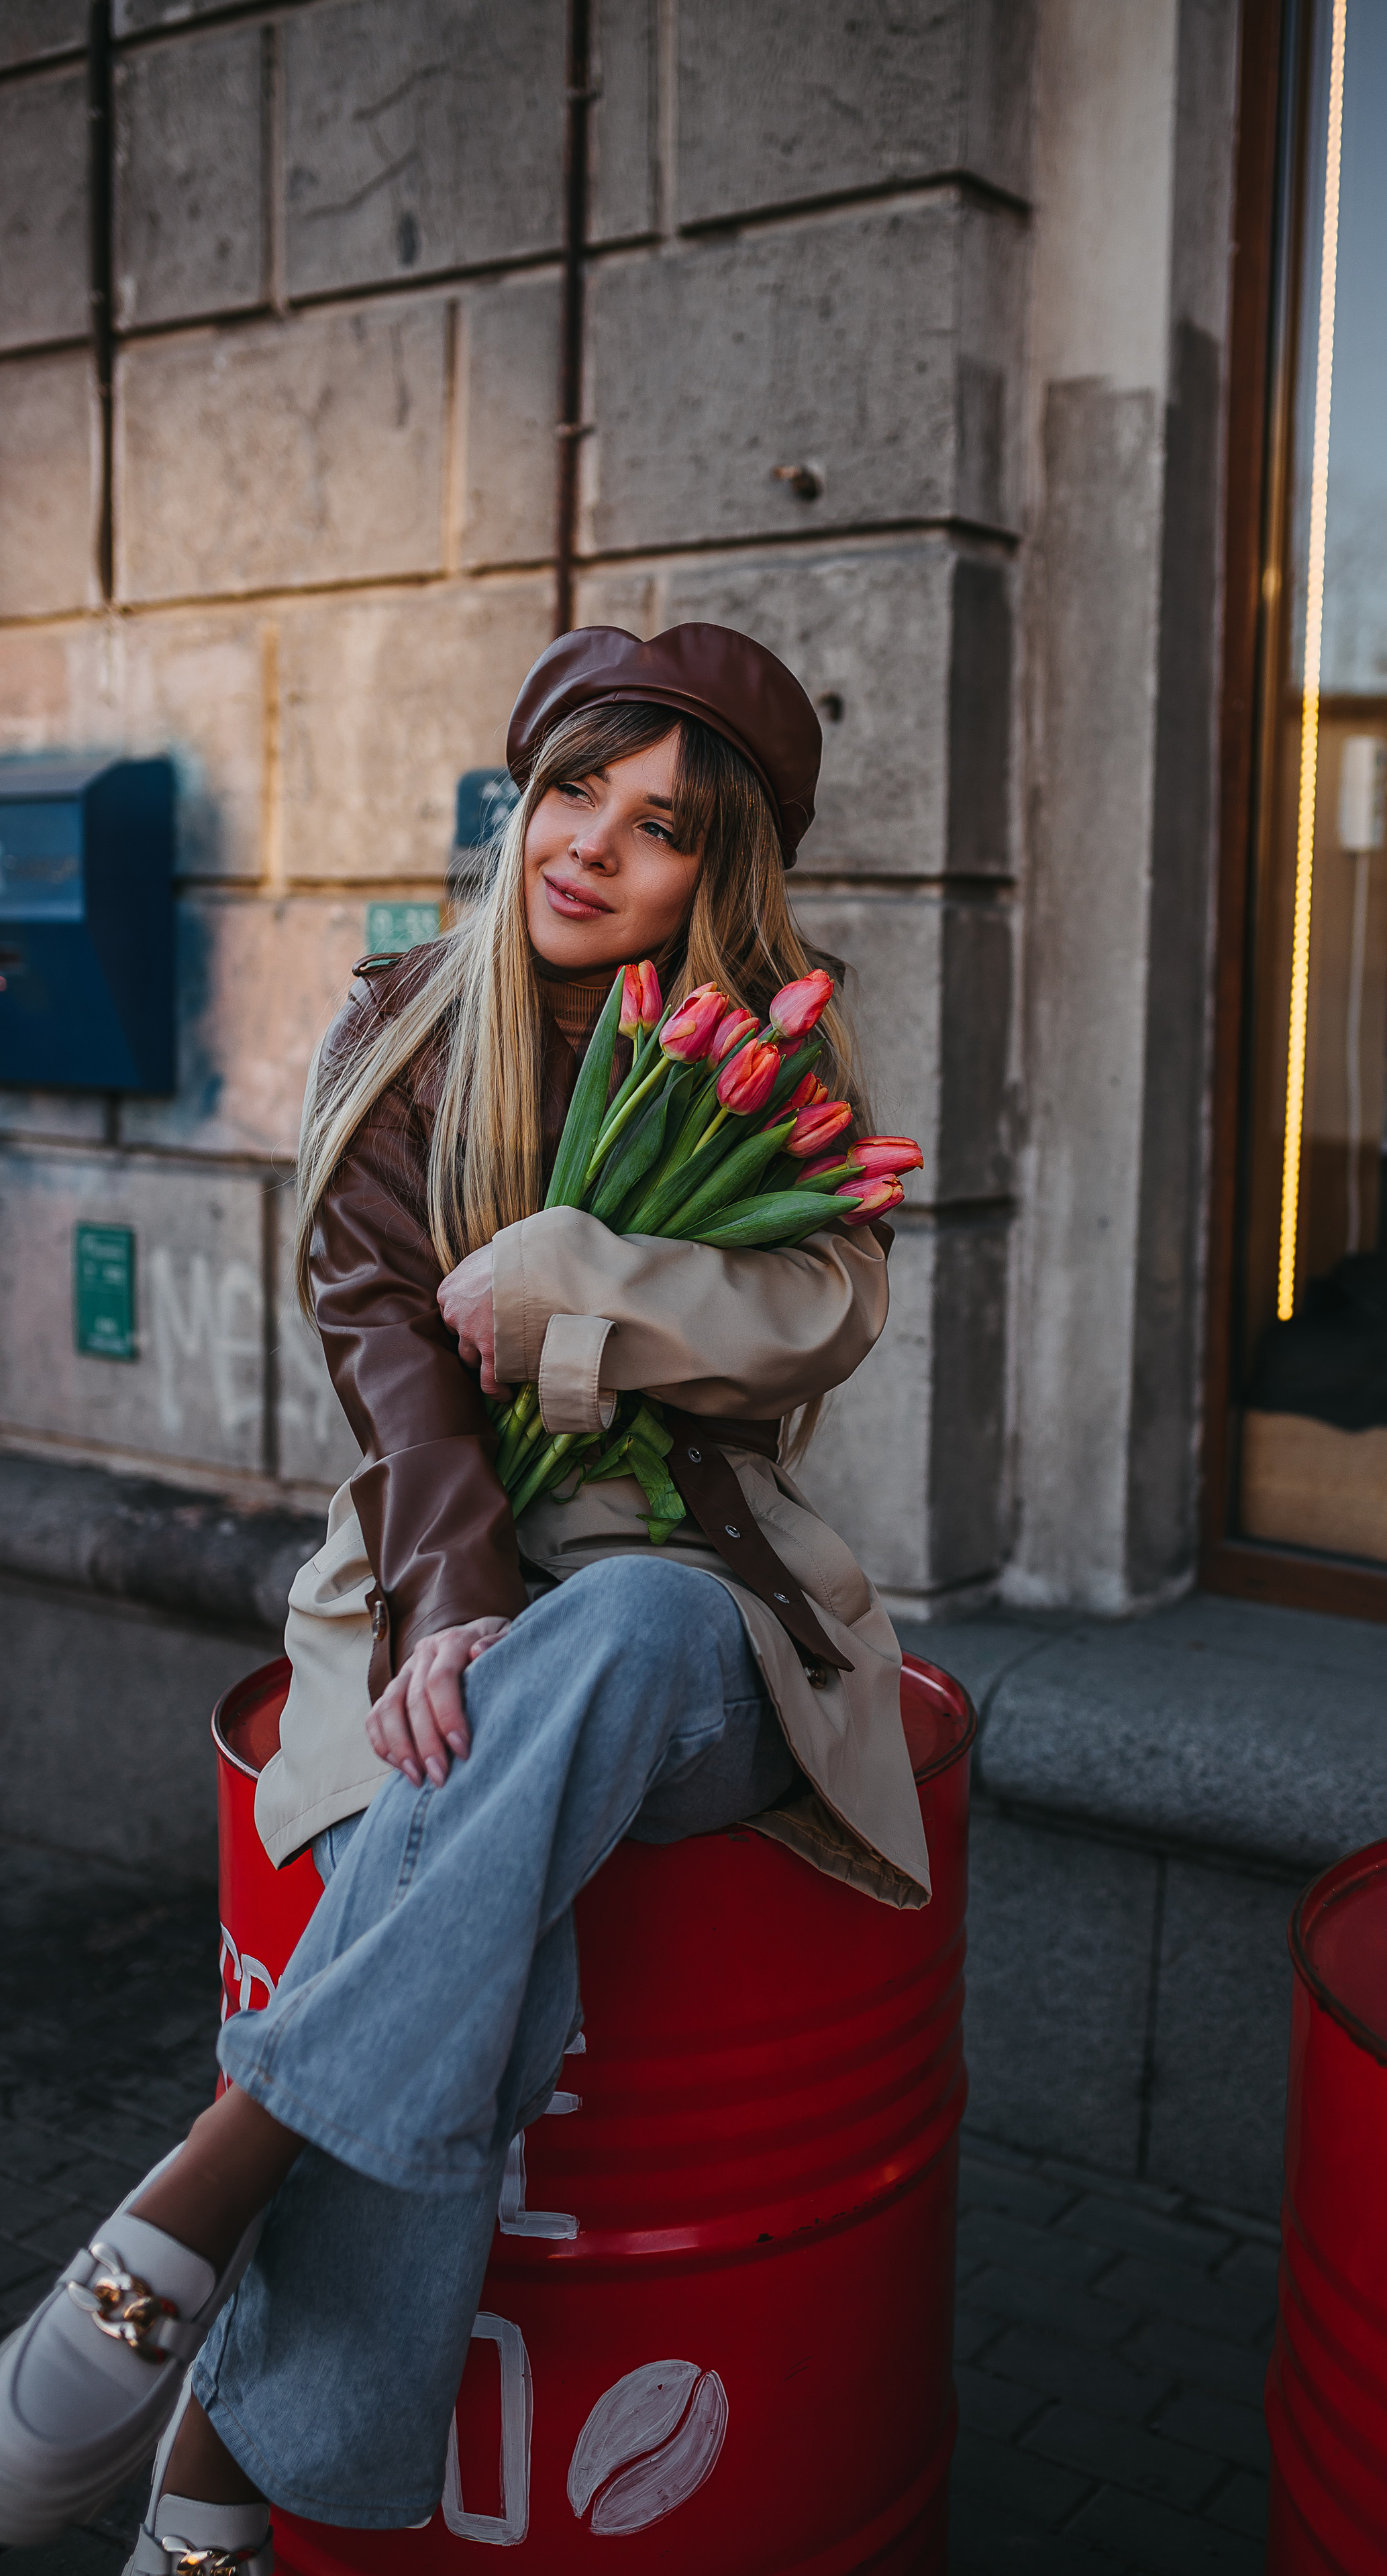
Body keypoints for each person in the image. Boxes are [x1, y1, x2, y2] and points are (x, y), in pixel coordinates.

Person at [0, 625, 928, 2573]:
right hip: (442, 1584)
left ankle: (187, 2207)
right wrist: (446, 1599)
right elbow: (378, 1341)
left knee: (622, 1641)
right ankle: (212, 2514)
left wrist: (578, 1287)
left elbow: (819, 1312)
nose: (592, 845)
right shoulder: (407, 1024)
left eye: (660, 830)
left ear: (722, 869)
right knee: (473, 1872)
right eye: (574, 786)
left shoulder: (771, 1055)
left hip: (703, 1606)